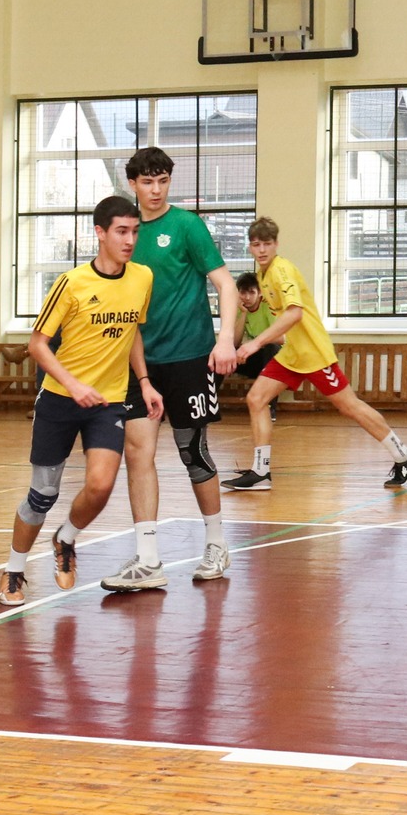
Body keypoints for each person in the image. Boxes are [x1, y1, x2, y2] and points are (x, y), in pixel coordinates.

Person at [0, 196, 157, 606]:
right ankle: (14, 571)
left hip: (108, 401)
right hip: (60, 400)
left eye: (135, 231)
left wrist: (144, 381)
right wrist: (73, 385)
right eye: (121, 231)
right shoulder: (71, 284)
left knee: (101, 485)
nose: (130, 240)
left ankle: (66, 538)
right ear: (100, 233)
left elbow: (132, 333)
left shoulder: (142, 278)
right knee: (42, 495)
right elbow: (37, 345)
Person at [99, 147, 240, 593]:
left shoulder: (186, 226)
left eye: (162, 181)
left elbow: (225, 284)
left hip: (189, 357)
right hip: (141, 362)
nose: (156, 190)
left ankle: (216, 543)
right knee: (137, 453)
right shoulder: (128, 233)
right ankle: (148, 559)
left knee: (192, 451)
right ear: (132, 184)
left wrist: (224, 339)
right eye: (147, 182)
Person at [221, 217, 407, 492]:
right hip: (292, 353)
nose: (262, 250)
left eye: (266, 243)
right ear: (250, 247)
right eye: (256, 244)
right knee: (256, 399)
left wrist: (256, 344)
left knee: (349, 406)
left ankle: (403, 454)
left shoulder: (281, 271)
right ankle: (261, 472)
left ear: (276, 244)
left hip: (313, 352)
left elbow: (295, 313)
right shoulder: (262, 276)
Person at [232, 270, 280, 422]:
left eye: (251, 292)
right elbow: (235, 342)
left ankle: (269, 407)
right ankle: (209, 404)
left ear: (259, 293)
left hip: (274, 361)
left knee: (271, 348)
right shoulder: (239, 309)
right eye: (243, 292)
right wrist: (243, 313)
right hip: (253, 360)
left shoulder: (268, 306)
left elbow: (280, 338)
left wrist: (255, 343)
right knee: (225, 352)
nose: (246, 297)